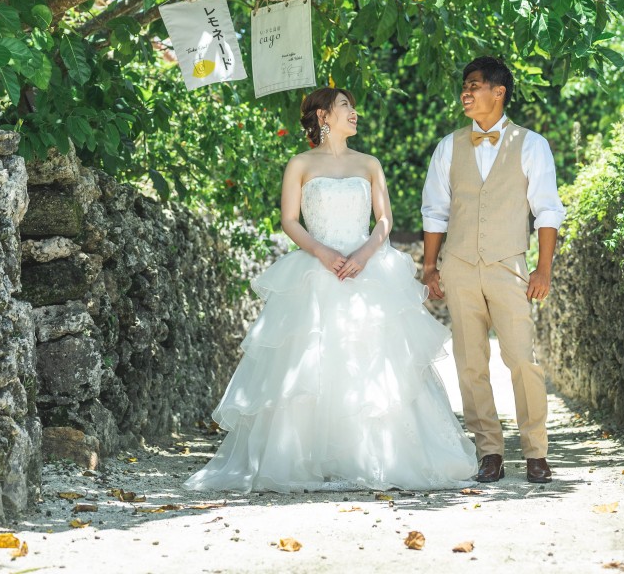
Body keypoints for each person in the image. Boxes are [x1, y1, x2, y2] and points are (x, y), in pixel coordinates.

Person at [186, 86, 477, 492]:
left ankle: (374, 456)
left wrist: (365, 254)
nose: (354, 112)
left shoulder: (369, 163)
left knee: (374, 362)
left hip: (367, 269)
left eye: (353, 106)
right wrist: (322, 253)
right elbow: (290, 220)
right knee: (311, 365)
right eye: (345, 106)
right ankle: (308, 458)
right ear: (323, 116)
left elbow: (384, 221)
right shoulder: (300, 164)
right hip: (316, 269)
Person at [420, 56, 565, 484]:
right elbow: (435, 211)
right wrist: (430, 266)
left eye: (474, 85)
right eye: (464, 87)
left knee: (522, 360)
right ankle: (490, 452)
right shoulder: (448, 146)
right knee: (470, 363)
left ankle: (536, 451)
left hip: (508, 266)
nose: (465, 93)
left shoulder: (531, 144)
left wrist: (543, 270)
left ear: (498, 92)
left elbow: (547, 210)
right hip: (460, 267)